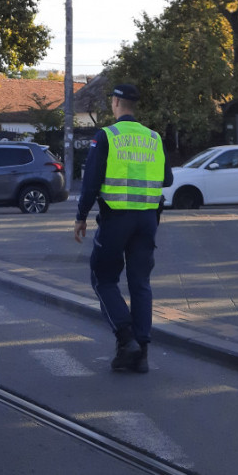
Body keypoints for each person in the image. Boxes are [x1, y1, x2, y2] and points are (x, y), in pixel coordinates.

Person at [73, 84, 173, 374]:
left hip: (116, 218)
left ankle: (125, 337)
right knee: (140, 283)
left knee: (102, 278)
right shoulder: (154, 138)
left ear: (116, 102)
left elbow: (91, 181)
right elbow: (166, 178)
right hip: (147, 220)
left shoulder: (107, 136)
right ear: (135, 105)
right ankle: (140, 355)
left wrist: (81, 216)